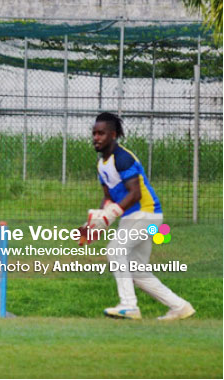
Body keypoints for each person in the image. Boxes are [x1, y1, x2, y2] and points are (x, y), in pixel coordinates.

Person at [83, 112, 194, 321]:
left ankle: (129, 306)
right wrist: (94, 224)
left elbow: (135, 194)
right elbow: (108, 198)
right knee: (136, 272)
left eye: (101, 133)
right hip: (133, 219)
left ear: (113, 135)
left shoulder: (123, 158)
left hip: (146, 215)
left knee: (115, 251)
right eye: (94, 133)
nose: (96, 138)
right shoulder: (101, 164)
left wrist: (111, 214)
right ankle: (180, 307)